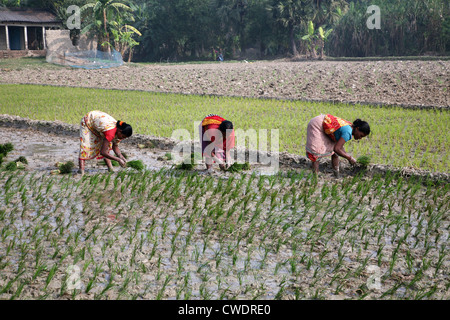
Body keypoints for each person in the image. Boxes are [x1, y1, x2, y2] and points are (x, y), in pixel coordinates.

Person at [305, 114, 370, 177]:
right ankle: (315, 178)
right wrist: (349, 158)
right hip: (318, 125)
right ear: (357, 129)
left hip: (327, 129)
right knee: (317, 153)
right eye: (361, 135)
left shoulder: (350, 129)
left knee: (335, 154)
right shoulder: (347, 132)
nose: (360, 138)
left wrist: (347, 156)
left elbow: (339, 148)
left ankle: (336, 175)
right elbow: (337, 149)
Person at [78, 110, 132, 175]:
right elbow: (103, 152)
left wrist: (122, 158)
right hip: (89, 120)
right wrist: (118, 160)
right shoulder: (110, 133)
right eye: (123, 136)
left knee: (106, 145)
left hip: (98, 124)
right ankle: (81, 171)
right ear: (119, 131)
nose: (123, 138)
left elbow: (115, 146)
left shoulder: (118, 132)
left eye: (125, 138)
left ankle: (110, 168)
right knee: (86, 145)